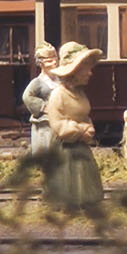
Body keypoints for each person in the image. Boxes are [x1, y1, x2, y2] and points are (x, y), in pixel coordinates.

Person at [42, 41, 105, 213]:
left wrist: (89, 126)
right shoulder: (58, 95)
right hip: (65, 148)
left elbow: (84, 114)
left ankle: (85, 202)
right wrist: (80, 129)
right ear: (74, 71)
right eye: (86, 68)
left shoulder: (79, 93)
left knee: (83, 175)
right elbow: (58, 125)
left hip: (80, 146)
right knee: (67, 176)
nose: (90, 73)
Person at [21, 42, 59, 156]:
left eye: (55, 59)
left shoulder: (59, 79)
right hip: (45, 122)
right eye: (49, 61)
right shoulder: (38, 82)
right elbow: (27, 96)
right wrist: (43, 107)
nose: (54, 63)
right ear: (41, 63)